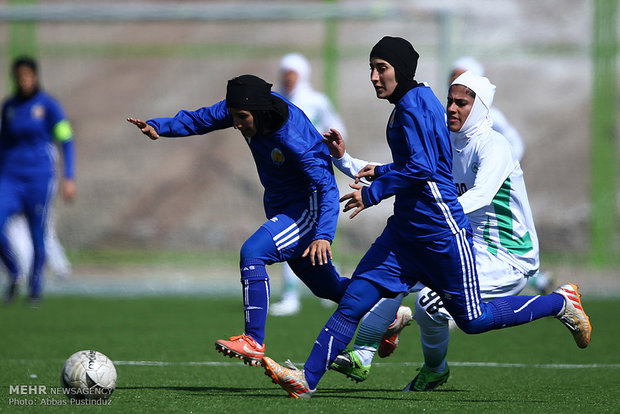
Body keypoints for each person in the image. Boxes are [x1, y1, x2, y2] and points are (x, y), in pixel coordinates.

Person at [261, 36, 591, 399]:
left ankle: (558, 303)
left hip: (440, 235)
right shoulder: (415, 105)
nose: (373, 76)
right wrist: (352, 162)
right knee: (356, 296)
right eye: (371, 68)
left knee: (472, 320)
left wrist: (372, 193)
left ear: (400, 70)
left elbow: (421, 169)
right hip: (404, 234)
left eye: (381, 68)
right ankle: (307, 379)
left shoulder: (427, 113)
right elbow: (421, 164)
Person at [327, 70, 561, 391]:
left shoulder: (494, 146)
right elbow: (409, 172)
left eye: (461, 103)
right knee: (394, 274)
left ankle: (560, 303)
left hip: (507, 256)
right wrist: (345, 160)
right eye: (450, 101)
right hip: (462, 243)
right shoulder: (448, 142)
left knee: (429, 304)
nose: (452, 108)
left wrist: (431, 219)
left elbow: (480, 196)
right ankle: (365, 353)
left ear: (479, 107)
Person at [127, 74, 350, 367]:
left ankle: (253, 340)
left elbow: (327, 187)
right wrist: (159, 126)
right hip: (282, 208)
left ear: (257, 111)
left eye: (241, 118)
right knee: (327, 288)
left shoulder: (294, 135)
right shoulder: (243, 108)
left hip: (307, 208)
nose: (236, 124)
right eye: (233, 116)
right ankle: (387, 313)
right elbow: (201, 119)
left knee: (253, 251)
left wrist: (323, 235)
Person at [451, 56, 553, 296]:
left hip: (487, 188)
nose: (456, 78)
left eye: (462, 73)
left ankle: (542, 290)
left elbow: (514, 142)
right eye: (453, 75)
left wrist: (498, 168)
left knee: (502, 235)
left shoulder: (490, 119)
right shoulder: (453, 122)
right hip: (469, 194)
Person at [270, 53, 348, 317]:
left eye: (293, 74)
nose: (288, 79)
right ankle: (291, 294)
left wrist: (324, 148)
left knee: (319, 234)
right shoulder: (276, 103)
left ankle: (331, 284)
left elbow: (338, 130)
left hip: (314, 177)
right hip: (287, 180)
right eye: (285, 74)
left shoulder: (317, 102)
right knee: (287, 232)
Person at [0, 56, 76, 305]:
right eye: (19, 76)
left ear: (34, 76)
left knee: (37, 232)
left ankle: (35, 287)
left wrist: (69, 176)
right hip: (10, 176)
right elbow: (4, 142)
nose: (23, 80)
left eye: (27, 76)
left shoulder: (48, 106)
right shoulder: (9, 107)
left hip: (38, 177)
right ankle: (14, 271)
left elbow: (65, 138)